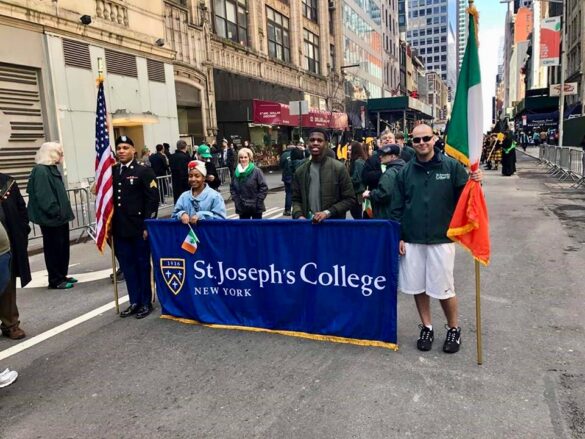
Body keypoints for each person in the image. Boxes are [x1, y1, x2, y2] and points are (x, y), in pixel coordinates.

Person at [390, 123, 483, 354]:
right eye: (416, 140)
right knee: (417, 287)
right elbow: (396, 207)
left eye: (426, 139)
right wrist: (399, 236)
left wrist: (477, 182)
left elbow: (468, 198)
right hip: (412, 239)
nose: (421, 143)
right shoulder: (405, 172)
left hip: (442, 239)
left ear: (435, 139)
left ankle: (454, 329)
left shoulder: (451, 167)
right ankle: (427, 327)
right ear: (411, 142)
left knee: (443, 288)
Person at [112, 135, 159, 319]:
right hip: (120, 228)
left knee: (142, 265)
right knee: (128, 266)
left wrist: (148, 224)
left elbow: (152, 199)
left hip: (139, 228)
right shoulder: (113, 172)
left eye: (125, 147)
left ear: (133, 150)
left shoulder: (143, 171)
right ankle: (134, 301)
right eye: (119, 148)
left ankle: (146, 302)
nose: (121, 151)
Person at [27, 142, 76, 290]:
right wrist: (56, 212)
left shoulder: (50, 169)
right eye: (60, 153)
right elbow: (44, 197)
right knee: (54, 249)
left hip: (59, 217)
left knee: (62, 248)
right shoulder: (41, 171)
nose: (62, 156)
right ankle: (55, 279)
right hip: (52, 219)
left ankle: (62, 275)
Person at [292, 128, 356, 221]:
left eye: (319, 140)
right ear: (308, 144)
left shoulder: (339, 168)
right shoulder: (300, 171)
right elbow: (296, 200)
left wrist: (328, 213)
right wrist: (299, 215)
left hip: (332, 226)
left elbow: (350, 199)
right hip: (308, 226)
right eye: (312, 140)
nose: (315, 143)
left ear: (326, 144)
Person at [0, 173, 31, 340]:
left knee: (7, 285)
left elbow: (21, 207)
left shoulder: (7, 182)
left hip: (6, 245)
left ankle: (10, 324)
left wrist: (23, 228)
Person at [362, 144, 405, 219]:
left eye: (384, 155)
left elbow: (384, 194)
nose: (380, 156)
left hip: (387, 215)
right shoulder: (403, 169)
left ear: (393, 156)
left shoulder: (390, 173)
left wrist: (370, 194)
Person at [230, 147, 268, 219]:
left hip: (255, 207)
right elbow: (232, 187)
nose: (243, 159)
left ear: (249, 158)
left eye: (245, 157)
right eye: (241, 157)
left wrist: (258, 202)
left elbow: (264, 187)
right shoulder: (236, 172)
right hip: (242, 207)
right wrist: (236, 200)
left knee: (256, 229)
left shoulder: (256, 171)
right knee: (244, 230)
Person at [348, 141, 367, 219]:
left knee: (357, 214)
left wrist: (346, 180)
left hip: (358, 192)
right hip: (357, 191)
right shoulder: (358, 161)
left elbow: (357, 178)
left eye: (350, 150)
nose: (348, 152)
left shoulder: (358, 162)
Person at [279, 143, 296, 216]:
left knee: (288, 193)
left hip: (287, 176)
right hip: (295, 176)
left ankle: (287, 210)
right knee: (297, 194)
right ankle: (296, 209)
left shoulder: (284, 155)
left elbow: (281, 165)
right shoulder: (296, 154)